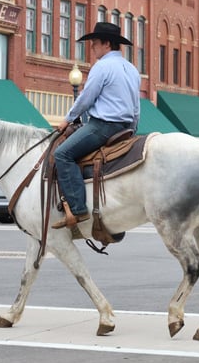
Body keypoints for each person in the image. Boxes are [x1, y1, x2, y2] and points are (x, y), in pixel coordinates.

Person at [52, 22, 141, 229]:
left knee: (62, 154)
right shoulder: (132, 70)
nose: (92, 47)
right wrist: (132, 130)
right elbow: (136, 107)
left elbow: (86, 98)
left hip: (103, 127)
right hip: (126, 128)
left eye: (95, 43)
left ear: (107, 44)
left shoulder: (101, 67)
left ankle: (77, 209)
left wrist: (67, 119)